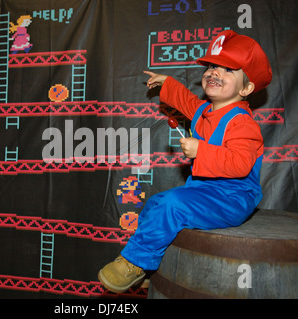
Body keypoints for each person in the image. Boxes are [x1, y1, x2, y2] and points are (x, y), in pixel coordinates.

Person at [98, 30, 272, 293]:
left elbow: (240, 164)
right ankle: (148, 264)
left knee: (171, 205)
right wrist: (168, 82)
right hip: (200, 190)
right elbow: (186, 101)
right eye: (212, 66)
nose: (214, 72)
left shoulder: (242, 123)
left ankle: (133, 262)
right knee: (157, 202)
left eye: (227, 69)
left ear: (246, 88)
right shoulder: (204, 109)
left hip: (232, 198)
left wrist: (202, 150)